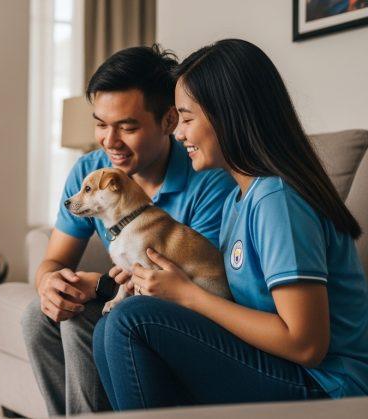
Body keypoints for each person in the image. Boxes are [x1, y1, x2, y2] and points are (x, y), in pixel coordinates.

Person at [93, 39, 368, 411]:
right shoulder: (239, 201)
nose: (178, 133)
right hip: (279, 366)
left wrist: (189, 296)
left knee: (130, 320)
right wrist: (174, 285)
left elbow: (306, 344)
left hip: (326, 386)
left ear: (229, 116)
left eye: (187, 119)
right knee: (107, 325)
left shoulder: (278, 201)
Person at [20, 45, 235, 416]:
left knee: (79, 319)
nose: (110, 142)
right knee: (36, 317)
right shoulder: (91, 171)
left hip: (176, 318)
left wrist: (102, 287)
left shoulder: (207, 179)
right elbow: (54, 259)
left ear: (169, 121)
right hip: (135, 298)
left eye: (128, 127)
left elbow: (189, 292)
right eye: (101, 124)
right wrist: (49, 284)